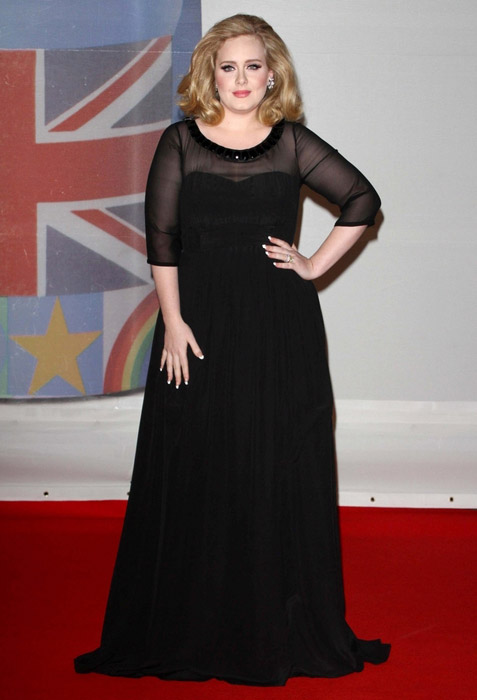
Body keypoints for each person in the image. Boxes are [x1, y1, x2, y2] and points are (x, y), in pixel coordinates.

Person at [75, 14, 390, 686]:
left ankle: (278, 623)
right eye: (228, 67)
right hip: (198, 326)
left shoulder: (292, 142)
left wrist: (312, 265)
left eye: (253, 66)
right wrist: (173, 321)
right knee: (197, 462)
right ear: (209, 75)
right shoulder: (180, 142)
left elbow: (362, 200)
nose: (241, 79)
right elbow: (162, 239)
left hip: (279, 327)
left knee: (275, 460)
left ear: (271, 74)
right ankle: (190, 624)